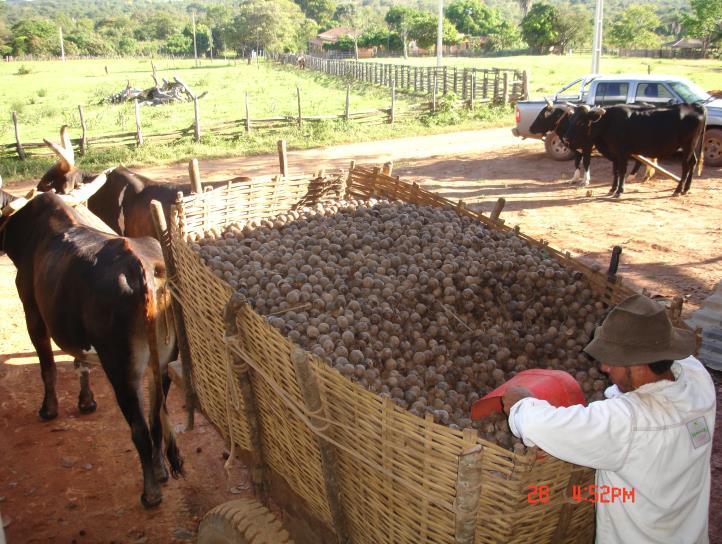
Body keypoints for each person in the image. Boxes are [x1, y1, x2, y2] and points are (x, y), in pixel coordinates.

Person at [502, 294, 715, 544]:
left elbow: (539, 424)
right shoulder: (699, 382)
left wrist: (520, 403)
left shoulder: (628, 422)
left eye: (611, 360)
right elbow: (682, 359)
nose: (603, 368)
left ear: (638, 365)